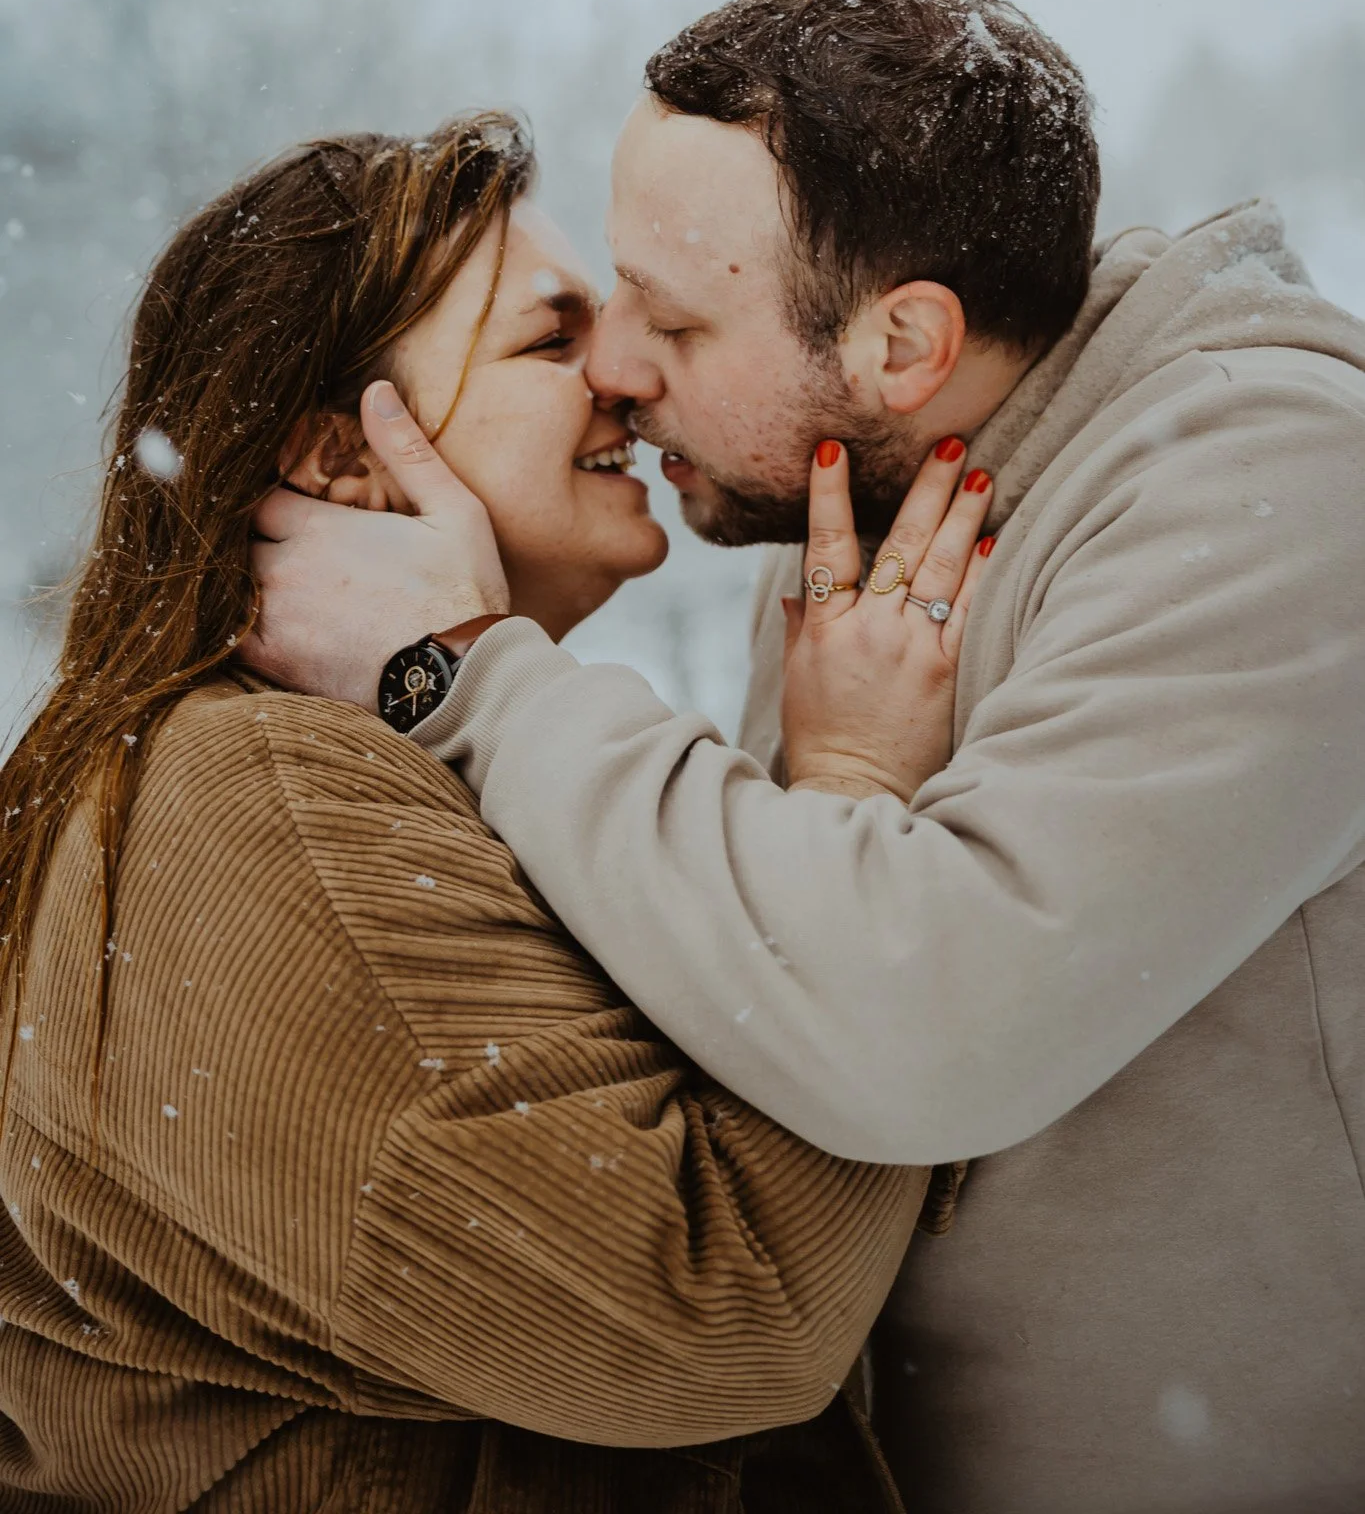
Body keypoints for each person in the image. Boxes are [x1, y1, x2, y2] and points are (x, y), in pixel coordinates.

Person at [248, 0, 1365, 1514]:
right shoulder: (857, 486)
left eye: (677, 317)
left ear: (904, 340)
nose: (620, 369)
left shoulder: (1283, 495)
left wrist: (469, 682)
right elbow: (765, 981)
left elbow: (918, 1021)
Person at [0, 114, 994, 1512]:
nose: (625, 380)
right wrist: (851, 797)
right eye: (550, 340)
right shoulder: (262, 797)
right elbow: (719, 1312)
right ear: (344, 459)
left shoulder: (343, 764)